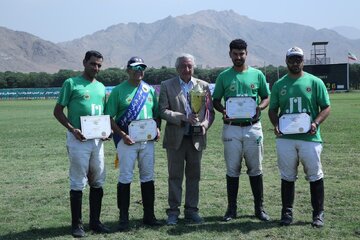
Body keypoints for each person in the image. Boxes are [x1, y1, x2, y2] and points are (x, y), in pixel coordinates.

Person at [268, 47, 331, 227]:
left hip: (309, 138)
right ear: (286, 61)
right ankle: (286, 213)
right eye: (292, 60)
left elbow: (326, 107)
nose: (295, 63)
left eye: (298, 60)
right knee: (287, 175)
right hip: (286, 138)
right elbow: (273, 109)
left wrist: (316, 123)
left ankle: (318, 214)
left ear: (303, 61)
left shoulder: (315, 82)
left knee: (315, 175)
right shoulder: (279, 84)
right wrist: (276, 125)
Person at [212, 39, 271, 222]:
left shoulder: (257, 74)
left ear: (247, 53)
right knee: (232, 170)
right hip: (232, 129)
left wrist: (259, 108)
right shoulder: (223, 76)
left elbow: (266, 97)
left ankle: (259, 209)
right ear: (230, 54)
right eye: (235, 54)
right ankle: (231, 209)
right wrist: (224, 111)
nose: (238, 57)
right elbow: (216, 100)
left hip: (253, 127)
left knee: (256, 169)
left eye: (242, 54)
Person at [53, 50, 110, 238]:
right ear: (84, 62)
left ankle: (95, 222)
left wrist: (105, 131)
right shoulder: (71, 83)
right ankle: (77, 225)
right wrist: (72, 129)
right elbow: (58, 111)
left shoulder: (101, 87)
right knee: (78, 181)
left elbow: (103, 115)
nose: (96, 68)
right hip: (78, 139)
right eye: (93, 64)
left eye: (99, 65)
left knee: (98, 180)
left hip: (97, 141)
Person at [105, 56, 161, 231]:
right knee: (125, 177)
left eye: (142, 68)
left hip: (147, 141)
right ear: (128, 70)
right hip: (126, 141)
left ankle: (149, 216)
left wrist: (158, 128)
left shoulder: (149, 90)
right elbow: (109, 117)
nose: (139, 71)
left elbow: (157, 114)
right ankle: (123, 218)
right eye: (136, 68)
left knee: (148, 177)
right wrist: (121, 135)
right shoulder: (118, 91)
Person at [158, 53, 214, 225]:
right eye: (183, 66)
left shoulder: (203, 86)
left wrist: (204, 125)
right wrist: (182, 117)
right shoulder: (167, 85)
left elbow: (209, 111)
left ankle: (191, 210)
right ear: (177, 68)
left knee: (194, 177)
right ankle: (173, 212)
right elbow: (163, 110)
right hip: (176, 139)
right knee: (174, 176)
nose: (186, 69)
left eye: (189, 66)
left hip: (196, 138)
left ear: (193, 67)